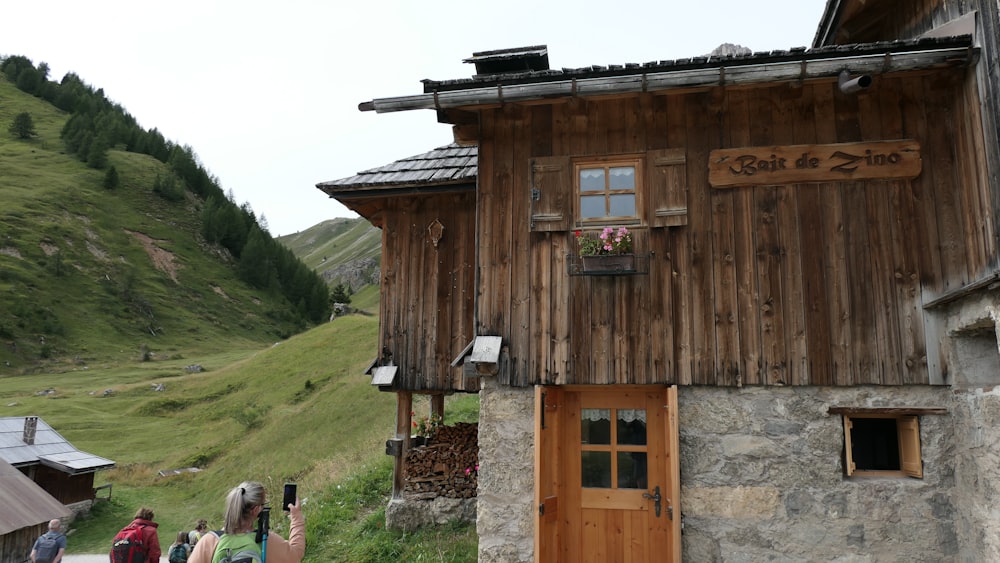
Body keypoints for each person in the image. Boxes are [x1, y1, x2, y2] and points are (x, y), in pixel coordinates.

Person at [188, 481, 304, 563]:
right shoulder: (265, 542)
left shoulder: (210, 541)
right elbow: (296, 555)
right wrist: (296, 517)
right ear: (255, 510)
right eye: (263, 505)